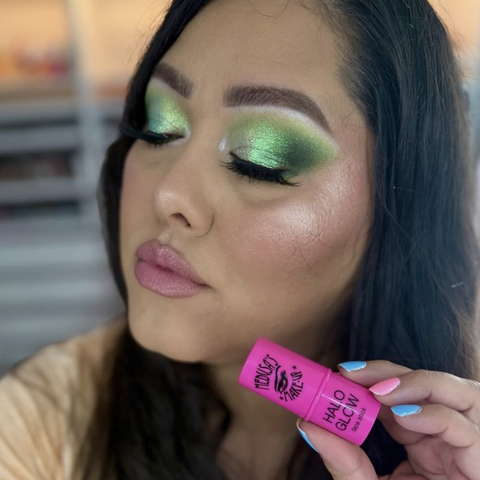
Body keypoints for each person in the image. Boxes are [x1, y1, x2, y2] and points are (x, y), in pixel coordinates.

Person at [1, 0, 479, 478]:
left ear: (402, 209)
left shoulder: (461, 440)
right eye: (158, 127)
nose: (167, 193)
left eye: (260, 158)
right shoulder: (37, 422)